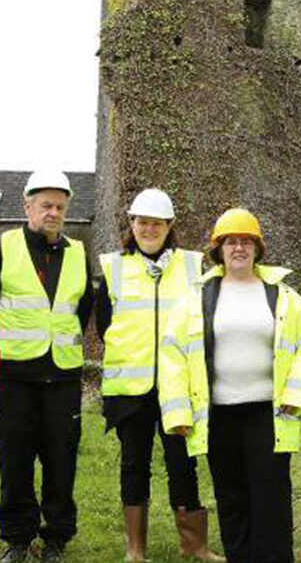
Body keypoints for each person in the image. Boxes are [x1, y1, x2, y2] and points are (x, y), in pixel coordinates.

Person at [158, 207, 301, 563]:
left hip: (269, 413)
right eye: (231, 242)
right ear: (218, 249)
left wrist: (296, 394)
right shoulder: (195, 299)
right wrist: (178, 413)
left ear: (258, 249)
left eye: (246, 242)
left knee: (271, 496)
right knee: (231, 496)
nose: (239, 248)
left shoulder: (282, 297)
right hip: (218, 414)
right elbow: (172, 355)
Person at [96, 188, 224, 561]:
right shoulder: (113, 266)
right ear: (131, 224)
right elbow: (104, 325)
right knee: (134, 465)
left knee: (183, 464)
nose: (148, 229)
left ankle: (195, 546)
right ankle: (135, 549)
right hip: (129, 387)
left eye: (157, 223)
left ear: (170, 226)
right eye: (142, 222)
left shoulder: (191, 265)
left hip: (177, 387)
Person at [0, 169, 95, 563]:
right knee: (14, 461)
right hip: (13, 378)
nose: (53, 212)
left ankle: (57, 539)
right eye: (45, 205)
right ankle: (17, 538)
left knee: (61, 460)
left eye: (60, 206)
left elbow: (83, 310)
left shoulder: (79, 252)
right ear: (27, 206)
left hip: (62, 376)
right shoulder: (2, 247)